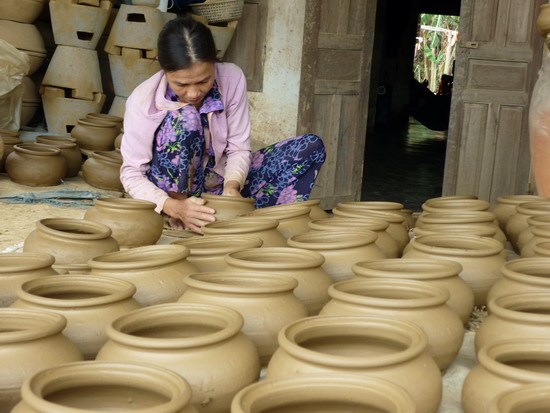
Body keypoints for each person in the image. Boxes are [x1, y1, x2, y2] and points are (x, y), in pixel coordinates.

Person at [120, 15, 326, 234]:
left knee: (310, 147)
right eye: (181, 84)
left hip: (217, 186)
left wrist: (232, 186)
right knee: (186, 117)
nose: (193, 92)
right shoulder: (143, 100)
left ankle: (244, 221)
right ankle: (182, 219)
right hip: (171, 199)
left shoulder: (232, 78)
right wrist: (175, 207)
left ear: (214, 61)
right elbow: (131, 173)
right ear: (164, 69)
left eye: (203, 81)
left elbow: (238, 147)